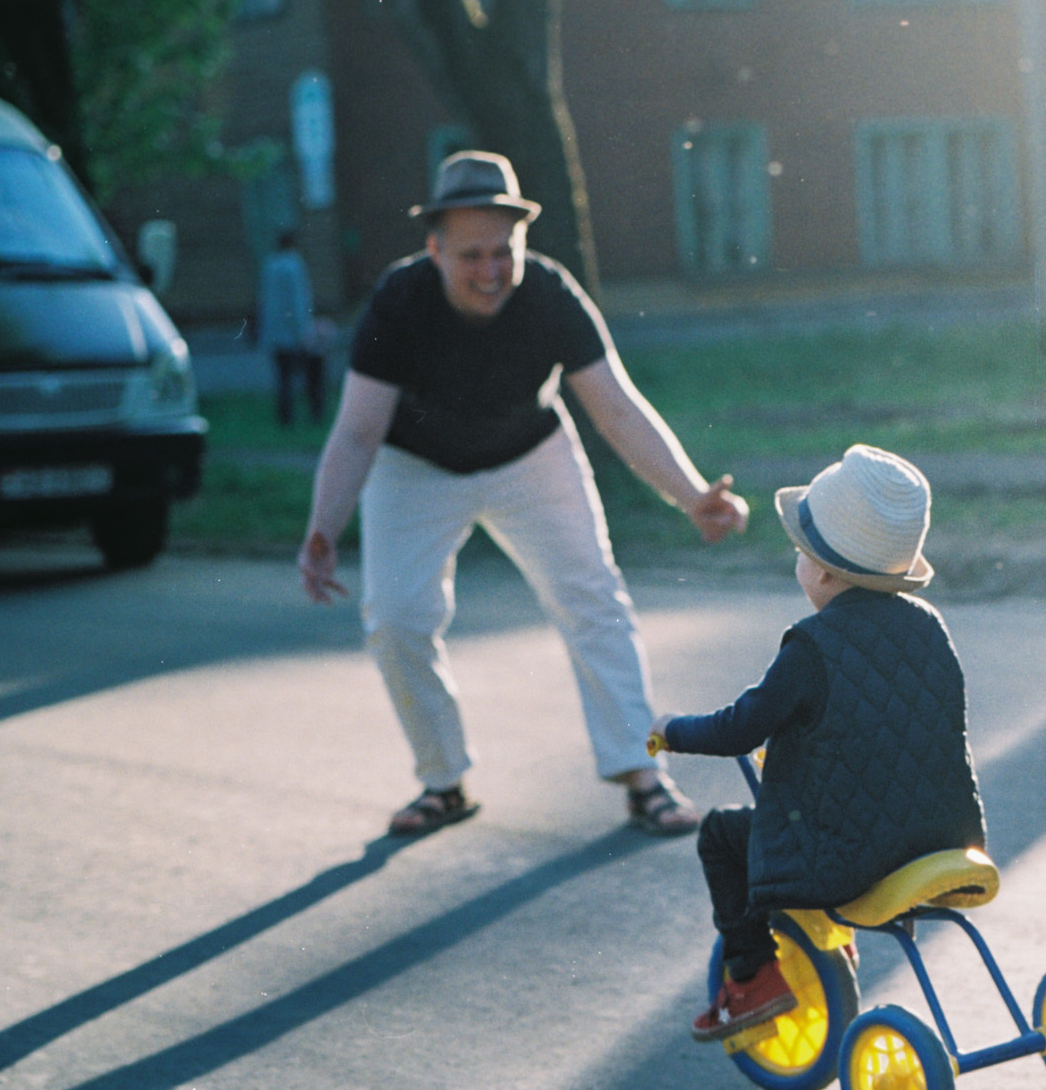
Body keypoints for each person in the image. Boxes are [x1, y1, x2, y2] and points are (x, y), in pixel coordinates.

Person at [298, 150, 749, 839]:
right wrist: (323, 530)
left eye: (502, 252)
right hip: (414, 463)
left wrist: (691, 496)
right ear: (435, 248)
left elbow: (617, 409)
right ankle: (442, 782)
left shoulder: (548, 293)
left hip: (528, 455)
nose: (490, 271)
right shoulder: (399, 298)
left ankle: (643, 774)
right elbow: (358, 432)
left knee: (593, 599)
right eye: (471, 255)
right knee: (393, 617)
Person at [652, 445, 987, 1043]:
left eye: (800, 555)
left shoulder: (812, 647)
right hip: (944, 839)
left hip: (851, 857)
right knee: (833, 806)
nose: (798, 565)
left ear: (824, 571)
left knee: (724, 835)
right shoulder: (929, 625)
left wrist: (671, 729)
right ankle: (829, 948)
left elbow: (738, 729)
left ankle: (752, 976)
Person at [258, 228, 326, 427]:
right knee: (309, 376)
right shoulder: (294, 265)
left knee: (283, 378)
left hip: (275, 333)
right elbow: (298, 301)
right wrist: (304, 331)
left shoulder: (269, 265)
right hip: (295, 333)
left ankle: (285, 417)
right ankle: (314, 415)